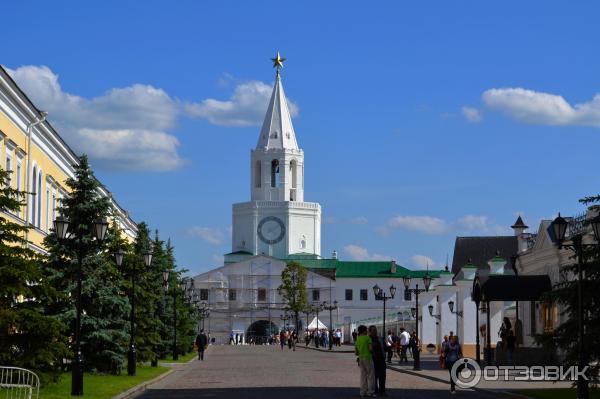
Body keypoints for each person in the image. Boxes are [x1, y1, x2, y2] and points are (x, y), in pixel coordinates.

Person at [354, 325, 375, 397]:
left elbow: (356, 352)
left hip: (361, 358)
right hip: (368, 357)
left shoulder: (358, 339)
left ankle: (362, 392)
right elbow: (370, 349)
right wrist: (372, 352)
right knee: (370, 375)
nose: (367, 331)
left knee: (363, 376)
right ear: (364, 331)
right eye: (366, 330)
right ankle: (370, 392)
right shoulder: (368, 338)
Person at [369, 325, 386, 396]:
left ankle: (382, 391)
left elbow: (385, 347)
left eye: (375, 330)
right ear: (369, 331)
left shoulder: (381, 338)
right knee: (374, 376)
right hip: (373, 360)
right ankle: (375, 390)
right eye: (373, 330)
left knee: (382, 376)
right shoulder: (368, 339)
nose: (375, 331)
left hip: (382, 360)